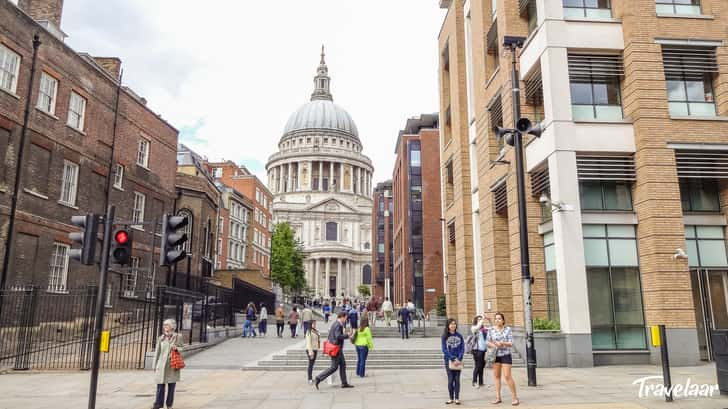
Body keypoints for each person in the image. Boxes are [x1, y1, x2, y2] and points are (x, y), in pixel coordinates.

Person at [314, 312, 354, 389]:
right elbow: (338, 336)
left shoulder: (335, 323)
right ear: (342, 317)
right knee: (334, 367)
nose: (346, 320)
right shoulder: (338, 325)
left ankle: (344, 383)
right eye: (345, 318)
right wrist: (347, 335)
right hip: (336, 349)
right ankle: (318, 378)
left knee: (343, 365)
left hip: (337, 348)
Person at [486, 312, 519, 406]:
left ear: (503, 320)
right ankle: (498, 397)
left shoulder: (508, 329)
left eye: (499, 318)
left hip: (505, 355)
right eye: (496, 318)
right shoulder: (491, 330)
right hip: (495, 355)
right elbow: (487, 341)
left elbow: (511, 342)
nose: (497, 320)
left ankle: (514, 397)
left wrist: (502, 343)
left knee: (507, 375)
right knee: (496, 376)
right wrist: (493, 345)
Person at [152, 318, 184, 409]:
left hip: (172, 366)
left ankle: (169, 405)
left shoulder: (178, 337)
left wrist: (177, 348)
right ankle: (158, 404)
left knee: (171, 387)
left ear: (172, 327)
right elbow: (157, 353)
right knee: (160, 386)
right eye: (164, 325)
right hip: (161, 366)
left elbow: (183, 348)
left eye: (167, 325)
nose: (165, 327)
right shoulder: (161, 338)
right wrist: (154, 365)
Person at [442, 318, 464, 405]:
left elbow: (462, 348)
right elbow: (444, 349)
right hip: (449, 361)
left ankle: (457, 398)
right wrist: (452, 358)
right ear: (448, 325)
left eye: (454, 324)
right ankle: (451, 398)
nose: (453, 325)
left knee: (457, 380)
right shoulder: (444, 336)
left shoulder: (459, 335)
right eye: (451, 324)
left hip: (458, 361)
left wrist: (459, 358)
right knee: (451, 380)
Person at [470, 315, 489, 389]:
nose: (480, 320)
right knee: (478, 365)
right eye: (478, 319)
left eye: (480, 319)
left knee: (482, 365)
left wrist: (489, 321)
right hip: (476, 350)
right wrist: (483, 318)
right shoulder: (474, 328)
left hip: (483, 349)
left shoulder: (483, 329)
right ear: (475, 321)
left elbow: (491, 329)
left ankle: (481, 382)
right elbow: (478, 326)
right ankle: (474, 382)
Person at [305, 320, 320, 384]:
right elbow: (308, 343)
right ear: (310, 324)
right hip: (311, 350)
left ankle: (310, 378)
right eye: (313, 324)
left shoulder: (314, 330)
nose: (314, 325)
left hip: (315, 349)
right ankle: (309, 378)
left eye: (315, 323)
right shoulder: (309, 332)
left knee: (312, 364)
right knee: (310, 364)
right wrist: (311, 353)